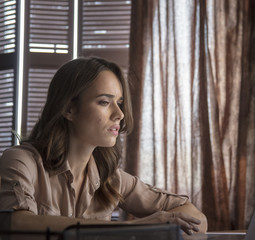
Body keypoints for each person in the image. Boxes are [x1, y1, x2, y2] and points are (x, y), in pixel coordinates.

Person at [0, 57, 207, 235]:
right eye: (104, 102)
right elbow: (16, 224)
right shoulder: (21, 161)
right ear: (69, 109)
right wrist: (132, 230)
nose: (120, 114)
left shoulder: (111, 178)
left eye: (120, 102)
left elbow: (196, 217)